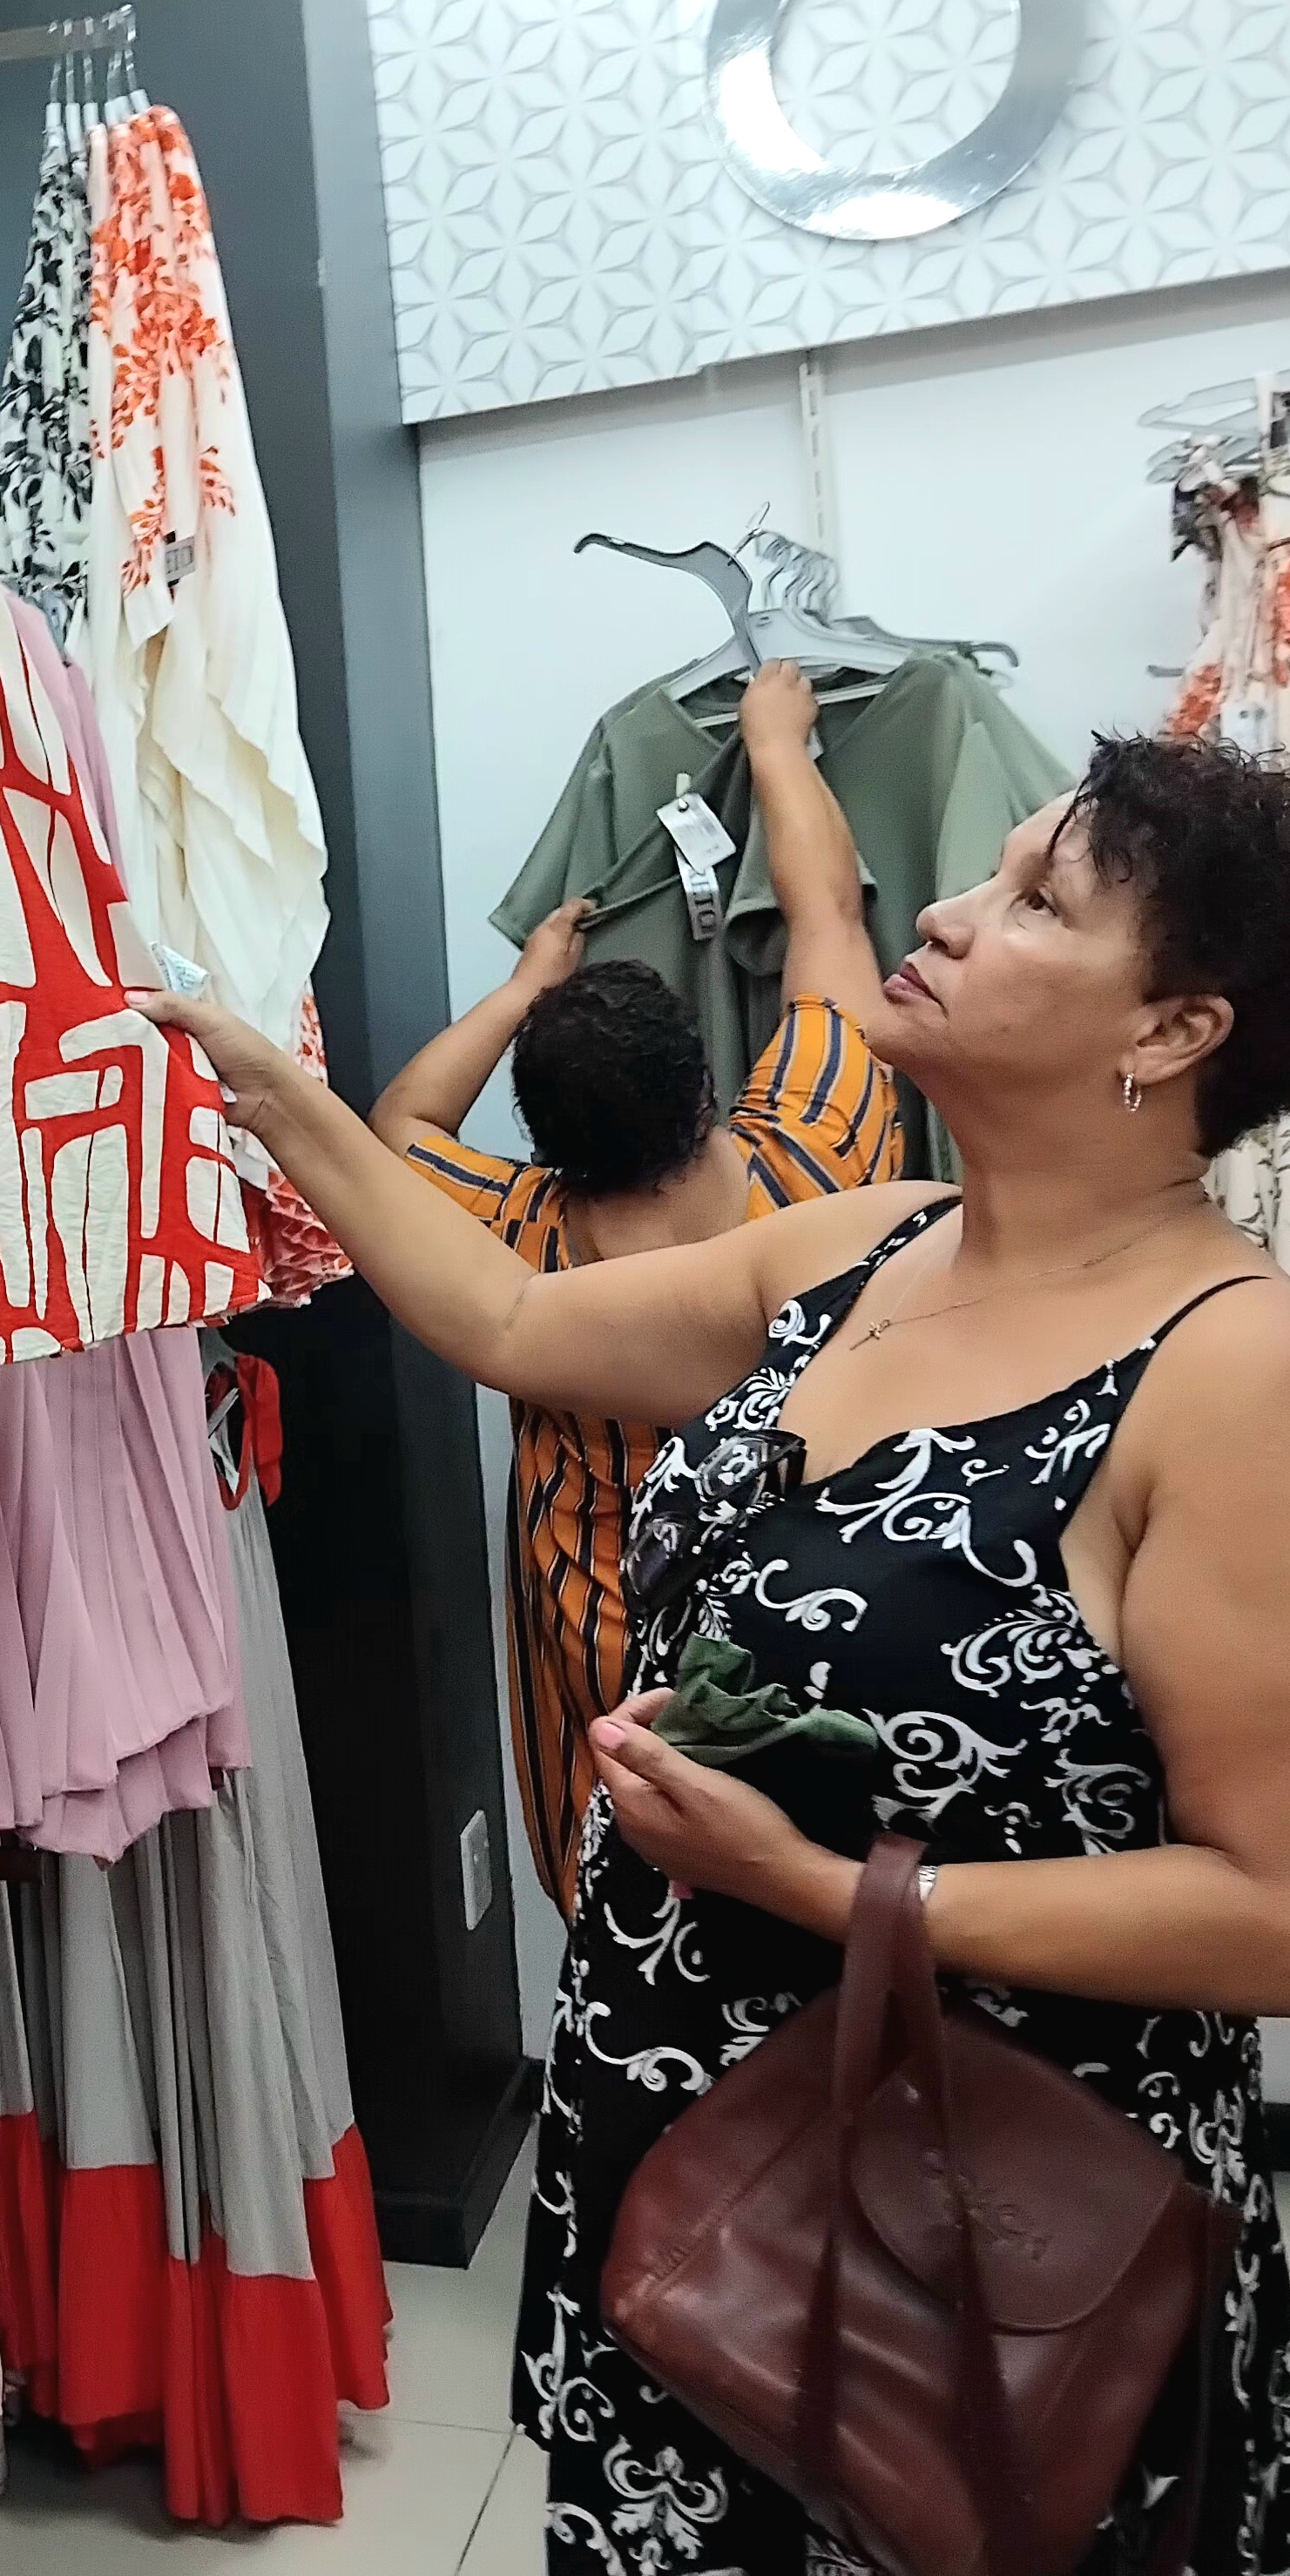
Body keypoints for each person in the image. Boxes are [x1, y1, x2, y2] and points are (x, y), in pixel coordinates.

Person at [145, 731, 1290, 2571]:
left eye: (1035, 903)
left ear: (1172, 1030)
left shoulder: (1244, 1374)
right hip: (686, 2125)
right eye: (986, 875)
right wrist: (271, 1088)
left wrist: (821, 1891)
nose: (947, 916)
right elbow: (508, 1317)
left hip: (980, 2207)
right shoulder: (864, 1247)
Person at [375, 659, 903, 1916]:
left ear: (544, 1144)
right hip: (823, 1659)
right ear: (707, 1084)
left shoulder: (511, 1238)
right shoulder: (822, 1164)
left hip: (614, 1690)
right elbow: (830, 924)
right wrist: (776, 746)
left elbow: (399, 1129)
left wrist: (522, 990)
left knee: (636, 1936)